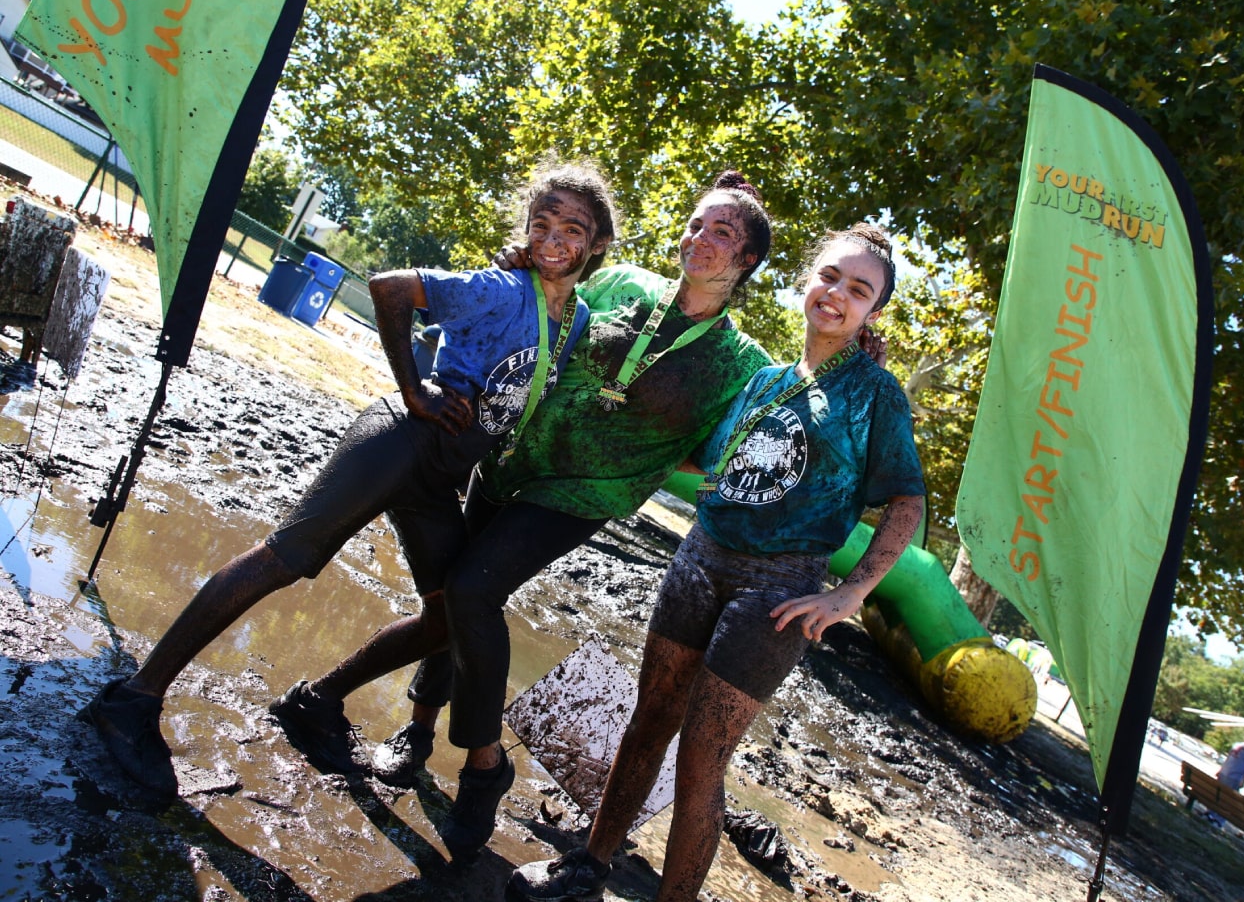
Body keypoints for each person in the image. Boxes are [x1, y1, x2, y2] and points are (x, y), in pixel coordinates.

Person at [77, 160, 618, 802]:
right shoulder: (500, 287)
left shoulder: (575, 320)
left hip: (440, 475)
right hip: (399, 441)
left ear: (598, 244)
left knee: (449, 612)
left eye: (572, 230)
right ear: (526, 227)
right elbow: (390, 287)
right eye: (542, 223)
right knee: (286, 559)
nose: (553, 239)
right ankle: (134, 699)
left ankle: (316, 702)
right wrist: (414, 389)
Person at [286, 171, 775, 860]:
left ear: (748, 260)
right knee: (450, 600)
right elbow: (546, 302)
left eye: (723, 233)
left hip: (580, 497)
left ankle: (483, 769)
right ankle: (409, 731)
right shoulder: (622, 284)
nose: (702, 238)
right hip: (510, 459)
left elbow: (729, 446)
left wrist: (639, 454)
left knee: (472, 590)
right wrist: (516, 261)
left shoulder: (742, 362)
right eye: (697, 223)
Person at [506, 222, 926, 902]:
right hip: (699, 562)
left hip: (778, 592)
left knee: (702, 761)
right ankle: (587, 864)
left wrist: (850, 594)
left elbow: (906, 501)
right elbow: (712, 462)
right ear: (804, 282)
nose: (836, 296)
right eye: (828, 278)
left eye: (858, 290)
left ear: (872, 313)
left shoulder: (875, 394)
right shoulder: (762, 379)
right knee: (649, 720)